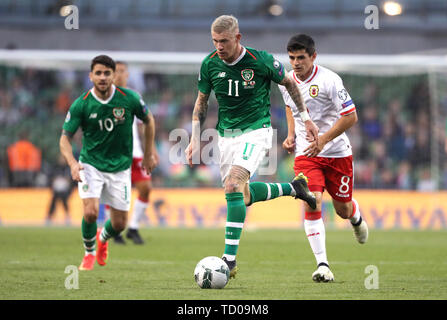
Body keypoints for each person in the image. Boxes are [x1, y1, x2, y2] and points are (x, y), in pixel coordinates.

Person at [185, 15, 318, 279]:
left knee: (233, 184)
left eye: (224, 41)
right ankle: (293, 188)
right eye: (215, 41)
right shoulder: (209, 64)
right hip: (226, 135)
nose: (219, 46)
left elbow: (289, 84)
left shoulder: (261, 61)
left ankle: (229, 260)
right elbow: (201, 102)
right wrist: (194, 136)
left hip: (256, 130)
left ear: (237, 38)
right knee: (241, 196)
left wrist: (305, 118)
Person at [279, 34, 369, 283]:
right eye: (292, 58)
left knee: (342, 209)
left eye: (301, 58)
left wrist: (324, 140)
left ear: (313, 56)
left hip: (337, 153)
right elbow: (290, 105)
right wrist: (290, 135)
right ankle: (323, 265)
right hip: (307, 155)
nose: (296, 63)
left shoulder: (330, 80)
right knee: (312, 200)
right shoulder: (285, 81)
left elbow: (351, 116)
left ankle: (356, 216)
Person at [60, 55, 157, 271]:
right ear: (91, 76)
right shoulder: (82, 104)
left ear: (114, 75)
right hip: (90, 164)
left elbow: (149, 120)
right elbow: (64, 138)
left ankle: (103, 238)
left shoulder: (129, 98)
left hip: (120, 168)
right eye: (98, 73)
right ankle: (88, 252)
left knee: (120, 224)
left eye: (107, 73)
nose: (103, 77)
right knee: (90, 212)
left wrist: (149, 152)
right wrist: (73, 163)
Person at [105, 61, 159, 245]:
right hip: (113, 153)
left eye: (122, 71)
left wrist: (150, 150)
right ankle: (114, 229)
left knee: (146, 187)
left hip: (135, 152)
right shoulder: (104, 97)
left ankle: (133, 227)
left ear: (127, 74)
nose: (119, 74)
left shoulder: (134, 96)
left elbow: (144, 124)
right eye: (116, 71)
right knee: (116, 193)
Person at [46, 154, 75, 225]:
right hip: (57, 189)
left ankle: (66, 216)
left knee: (63, 198)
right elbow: (51, 178)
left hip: (66, 190)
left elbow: (72, 181)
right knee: (54, 198)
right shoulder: (55, 168)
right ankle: (50, 216)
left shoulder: (69, 169)